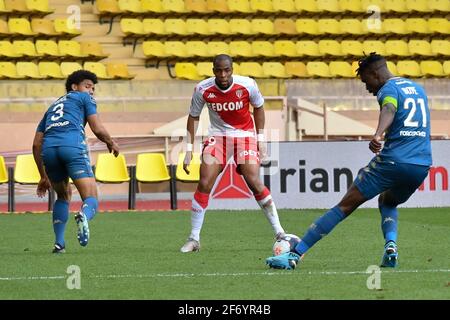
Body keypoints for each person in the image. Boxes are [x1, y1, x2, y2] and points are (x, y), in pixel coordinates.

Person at [266, 52, 432, 269]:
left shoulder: (388, 90)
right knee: (388, 201)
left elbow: (389, 108)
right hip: (421, 165)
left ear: (375, 73)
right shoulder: (417, 89)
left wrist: (378, 134)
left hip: (392, 162)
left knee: (344, 207)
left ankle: (294, 255)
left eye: (366, 81)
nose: (367, 87)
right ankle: (391, 246)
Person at [180, 54, 286, 252]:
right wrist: (188, 149)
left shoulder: (247, 85)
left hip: (244, 136)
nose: (223, 75)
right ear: (213, 71)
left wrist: (261, 139)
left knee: (253, 179)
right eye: (219, 70)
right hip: (218, 137)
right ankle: (194, 238)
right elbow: (193, 117)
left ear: (232, 69)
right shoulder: (203, 89)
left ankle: (280, 231)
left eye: (226, 70)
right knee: (204, 182)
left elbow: (259, 107)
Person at [32, 70, 119, 253]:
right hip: (72, 147)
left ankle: (59, 243)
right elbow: (97, 128)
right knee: (91, 197)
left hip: (49, 151)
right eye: (88, 86)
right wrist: (111, 142)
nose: (91, 91)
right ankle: (83, 215)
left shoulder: (52, 107)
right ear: (75, 87)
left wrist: (43, 176)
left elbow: (36, 144)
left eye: (93, 88)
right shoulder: (83, 98)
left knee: (63, 196)